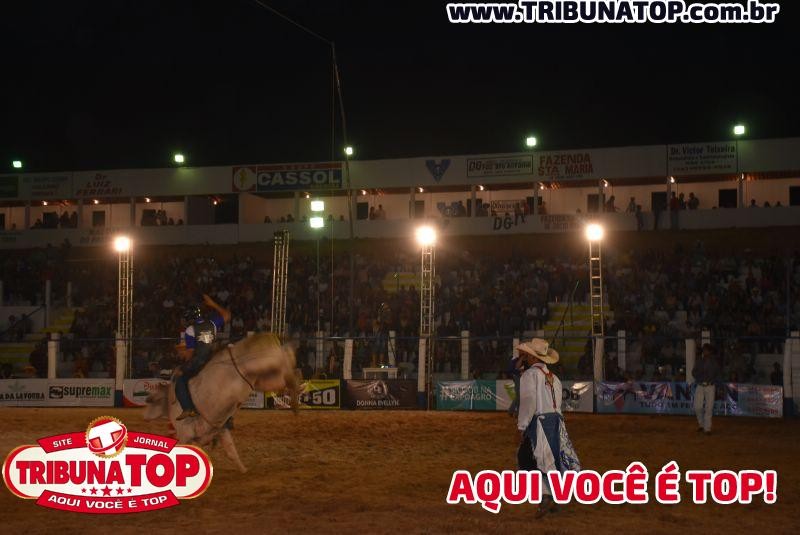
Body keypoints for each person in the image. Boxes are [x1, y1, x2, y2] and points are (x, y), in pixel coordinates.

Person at [516, 338, 581, 519]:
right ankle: (557, 497)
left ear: (531, 357)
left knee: (531, 459)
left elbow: (528, 402)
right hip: (556, 422)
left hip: (540, 422)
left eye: (527, 355)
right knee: (554, 459)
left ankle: (546, 495)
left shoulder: (530, 375)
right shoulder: (555, 378)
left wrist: (521, 427)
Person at [175, 294, 231, 420]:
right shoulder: (212, 323)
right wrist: (213, 304)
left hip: (199, 362)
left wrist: (183, 363)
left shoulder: (190, 329)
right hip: (212, 360)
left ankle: (188, 408)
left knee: (180, 379)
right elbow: (227, 315)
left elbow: (190, 352)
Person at [692, 343, 720, 435]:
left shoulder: (714, 361)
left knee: (709, 408)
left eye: (706, 350)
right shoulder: (699, 360)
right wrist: (699, 377)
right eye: (704, 350)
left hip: (710, 385)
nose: (704, 352)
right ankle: (701, 424)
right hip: (700, 384)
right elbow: (694, 372)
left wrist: (712, 380)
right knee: (697, 407)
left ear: (710, 351)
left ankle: (707, 428)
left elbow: (717, 373)